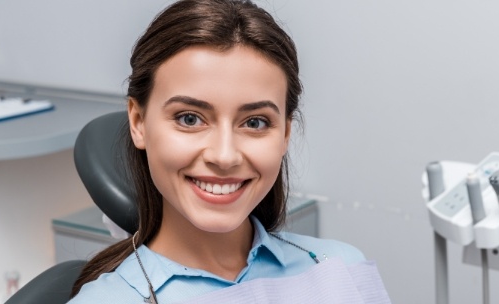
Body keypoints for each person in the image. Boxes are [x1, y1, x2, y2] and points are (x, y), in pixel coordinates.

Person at [69, 0, 370, 302]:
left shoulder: (341, 268)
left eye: (255, 122)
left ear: (285, 134)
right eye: (189, 118)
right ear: (138, 122)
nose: (225, 156)